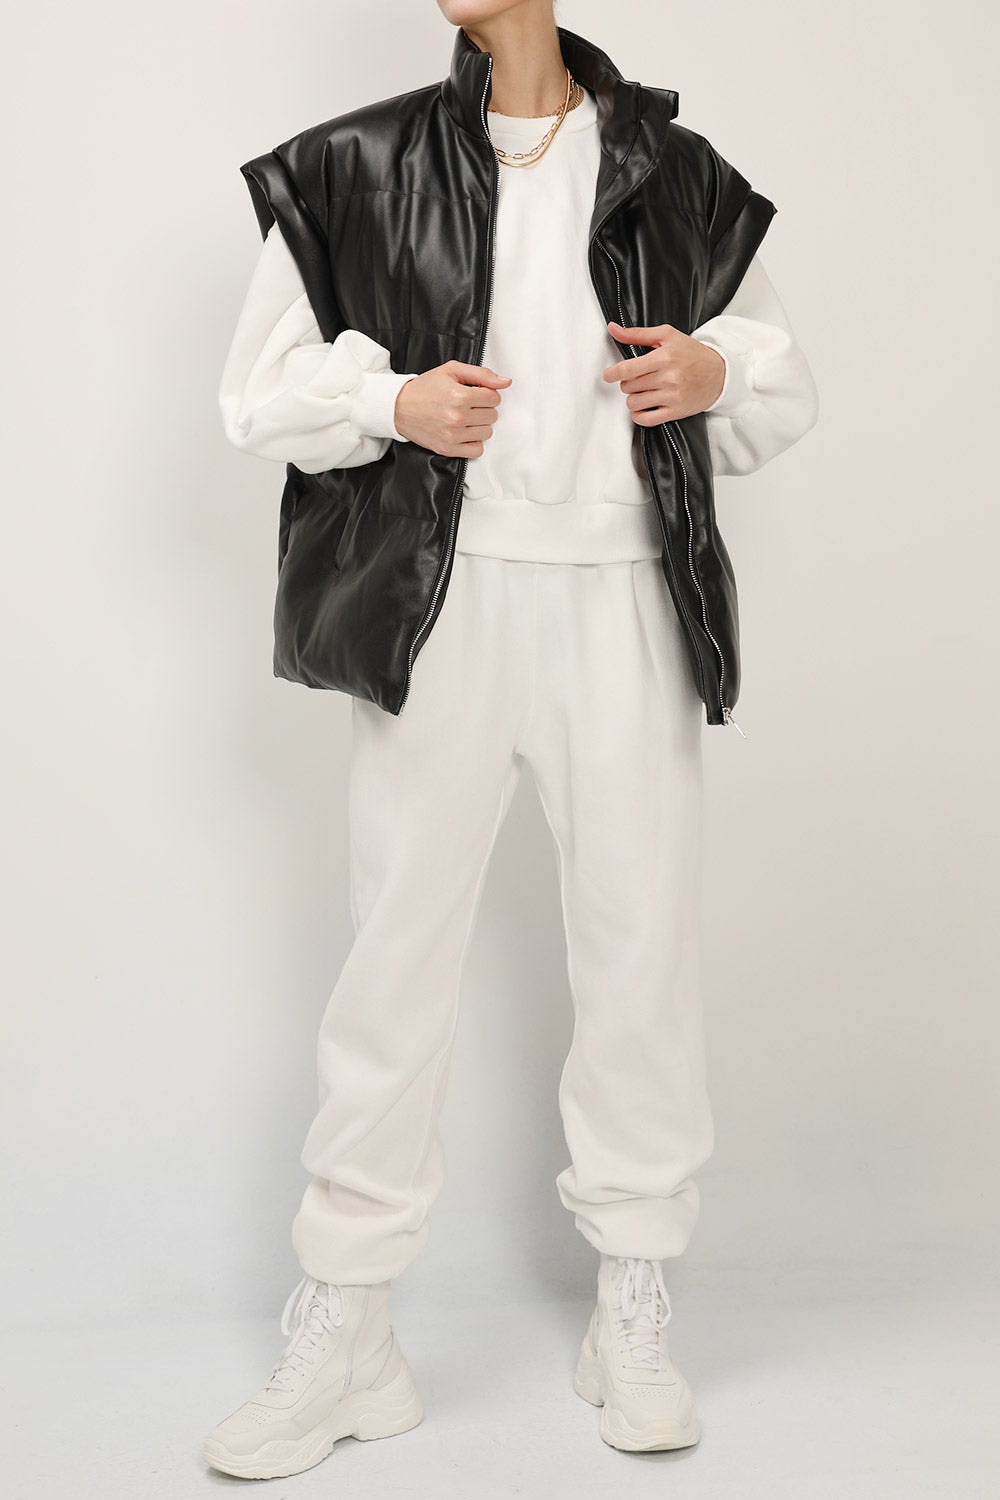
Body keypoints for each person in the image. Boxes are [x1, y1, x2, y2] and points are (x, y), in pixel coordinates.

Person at [205, 0, 819, 1477]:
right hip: (445, 600)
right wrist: (391, 400)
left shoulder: (674, 170)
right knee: (394, 959)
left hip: (627, 600)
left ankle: (631, 1306)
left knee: (638, 950)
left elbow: (776, 382)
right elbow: (255, 396)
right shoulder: (354, 164)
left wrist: (716, 375)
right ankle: (350, 1327)